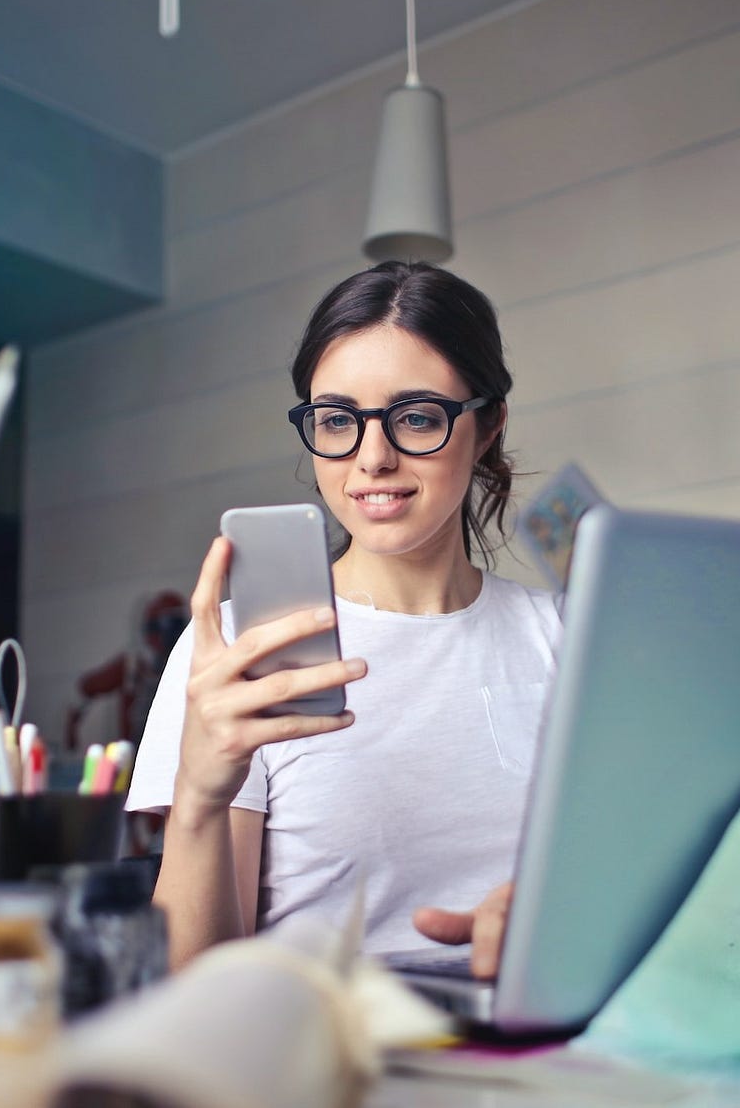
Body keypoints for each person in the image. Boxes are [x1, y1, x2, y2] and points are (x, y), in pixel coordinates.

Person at [126, 261, 561, 974]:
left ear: (487, 428)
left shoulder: (567, 640)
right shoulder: (242, 650)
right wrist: (200, 796)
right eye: (337, 421)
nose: (373, 458)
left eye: (416, 417)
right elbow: (194, 987)